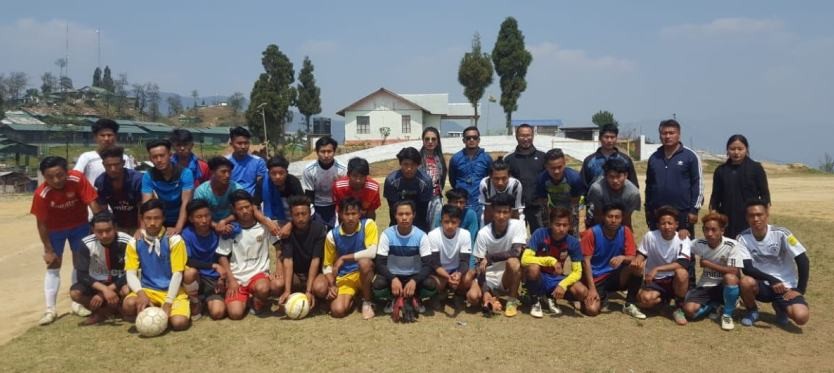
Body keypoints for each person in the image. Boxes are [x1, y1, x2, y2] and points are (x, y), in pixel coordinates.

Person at [32, 156, 102, 325]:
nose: (56, 180)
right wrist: (48, 249)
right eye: (50, 177)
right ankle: (50, 309)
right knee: (54, 265)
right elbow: (41, 224)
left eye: (60, 175)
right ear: (43, 176)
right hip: (55, 230)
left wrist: (100, 225)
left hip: (79, 227)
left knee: (80, 263)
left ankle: (77, 304)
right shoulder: (41, 194)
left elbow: (93, 203)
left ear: (67, 171)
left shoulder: (77, 179)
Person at [737, 200, 810, 327]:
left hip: (785, 286)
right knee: (745, 282)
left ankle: (780, 307)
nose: (756, 219)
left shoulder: (782, 234)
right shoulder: (742, 238)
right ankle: (752, 311)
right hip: (762, 285)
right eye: (751, 216)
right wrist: (772, 280)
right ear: (746, 218)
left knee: (801, 317)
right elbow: (747, 269)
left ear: (767, 215)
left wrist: (800, 290)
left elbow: (803, 259)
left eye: (759, 214)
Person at [121, 200, 191, 331]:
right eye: (148, 218)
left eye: (157, 218)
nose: (152, 223)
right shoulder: (134, 242)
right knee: (128, 304)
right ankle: (153, 308)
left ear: (164, 218)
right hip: (148, 289)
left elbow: (178, 274)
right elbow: (130, 273)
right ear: (142, 219)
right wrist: (141, 293)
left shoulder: (174, 240)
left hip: (172, 292)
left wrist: (169, 302)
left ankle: (161, 310)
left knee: (179, 323)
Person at [216, 190, 284, 319]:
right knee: (235, 314)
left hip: (258, 276)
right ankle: (247, 298)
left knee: (264, 288)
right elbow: (222, 256)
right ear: (234, 210)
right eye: (240, 208)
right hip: (238, 277)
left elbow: (277, 245)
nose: (245, 211)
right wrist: (231, 280)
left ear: (253, 207)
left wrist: (277, 266)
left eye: (247, 207)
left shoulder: (264, 225)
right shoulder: (230, 229)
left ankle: (257, 299)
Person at [579, 202, 644, 318]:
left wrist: (623, 257)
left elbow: (632, 257)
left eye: (617, 217)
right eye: (610, 217)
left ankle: (630, 304)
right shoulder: (591, 233)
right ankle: (599, 296)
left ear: (622, 218)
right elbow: (585, 262)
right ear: (603, 217)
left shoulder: (625, 231)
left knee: (637, 266)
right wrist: (592, 289)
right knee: (592, 310)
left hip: (615, 276)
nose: (613, 220)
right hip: (596, 278)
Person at [681, 212, 745, 330]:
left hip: (724, 286)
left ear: (722, 230)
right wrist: (681, 234)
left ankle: (727, 314)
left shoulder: (732, 245)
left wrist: (708, 264)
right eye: (706, 229)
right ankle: (714, 306)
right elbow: (680, 245)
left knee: (730, 278)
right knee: (689, 311)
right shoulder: (699, 243)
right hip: (705, 286)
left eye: (714, 230)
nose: (710, 234)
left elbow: (734, 272)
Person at [374, 200, 435, 318]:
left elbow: (428, 265)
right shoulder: (387, 234)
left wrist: (414, 280)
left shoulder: (421, 236)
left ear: (414, 215)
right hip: (393, 275)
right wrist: (393, 278)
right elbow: (380, 263)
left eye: (408, 214)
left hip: (413, 275)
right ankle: (393, 298)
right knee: (378, 285)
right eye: (400, 214)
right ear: (395, 216)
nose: (404, 217)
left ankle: (415, 297)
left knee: (430, 285)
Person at [470, 193, 527, 318]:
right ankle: (490, 299)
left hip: (506, 276)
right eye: (498, 212)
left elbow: (516, 252)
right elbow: (479, 266)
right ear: (491, 212)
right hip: (488, 276)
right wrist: (485, 291)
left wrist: (490, 257)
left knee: (514, 262)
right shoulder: (483, 233)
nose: (501, 216)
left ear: (511, 212)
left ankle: (512, 300)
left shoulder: (517, 226)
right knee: (472, 297)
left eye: (505, 212)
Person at [644, 119, 703, 238]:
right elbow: (649, 185)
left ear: (679, 135)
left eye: (671, 133)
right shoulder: (654, 158)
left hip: (683, 212)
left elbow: (697, 184)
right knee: (658, 247)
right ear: (660, 136)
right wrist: (648, 209)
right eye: (664, 133)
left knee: (684, 248)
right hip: (658, 212)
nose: (667, 136)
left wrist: (694, 210)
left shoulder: (690, 156)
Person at [70, 211, 131, 325]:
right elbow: (81, 275)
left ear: (115, 228)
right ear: (93, 230)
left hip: (118, 282)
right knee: (75, 293)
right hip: (97, 283)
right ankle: (100, 313)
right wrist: (104, 289)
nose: (104, 235)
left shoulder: (127, 241)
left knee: (127, 290)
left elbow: (131, 272)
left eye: (108, 230)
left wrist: (106, 291)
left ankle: (119, 309)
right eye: (99, 232)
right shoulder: (86, 244)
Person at [523, 207, 585, 318]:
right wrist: (551, 261)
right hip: (540, 276)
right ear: (551, 224)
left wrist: (563, 285)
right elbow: (525, 259)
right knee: (533, 268)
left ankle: (550, 297)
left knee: (582, 291)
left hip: (555, 278)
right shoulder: (539, 233)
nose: (561, 229)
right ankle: (535, 300)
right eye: (558, 224)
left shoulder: (573, 242)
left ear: (569, 226)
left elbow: (578, 272)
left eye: (565, 225)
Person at [634, 206, 692, 325]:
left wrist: (657, 268)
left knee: (682, 273)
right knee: (646, 300)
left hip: (673, 279)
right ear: (658, 224)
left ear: (676, 224)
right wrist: (636, 262)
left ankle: (678, 308)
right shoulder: (650, 236)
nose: (666, 226)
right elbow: (642, 254)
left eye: (670, 223)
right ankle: (662, 301)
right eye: (663, 223)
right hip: (656, 280)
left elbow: (683, 263)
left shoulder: (683, 238)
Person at [322, 197, 378, 319]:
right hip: (345, 277)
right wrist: (331, 284)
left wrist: (344, 258)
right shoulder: (332, 235)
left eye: (354, 213)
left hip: (365, 274)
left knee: (364, 263)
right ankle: (354, 298)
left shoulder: (368, 224)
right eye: (347, 214)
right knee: (337, 311)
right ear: (340, 214)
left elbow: (372, 252)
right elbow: (327, 265)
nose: (351, 218)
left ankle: (367, 302)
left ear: (360, 214)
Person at [709, 134, 771, 238]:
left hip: (749, 217)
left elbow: (765, 196)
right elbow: (715, 197)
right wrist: (714, 217)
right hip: (727, 217)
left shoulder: (756, 168)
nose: (736, 152)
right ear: (727, 150)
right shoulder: (720, 170)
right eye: (732, 149)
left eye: (740, 149)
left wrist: (763, 217)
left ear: (746, 149)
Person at [277, 196, 330, 309]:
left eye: (304, 213)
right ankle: (292, 294)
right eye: (296, 215)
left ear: (310, 213)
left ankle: (314, 295)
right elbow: (288, 260)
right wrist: (287, 291)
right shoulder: (287, 232)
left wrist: (309, 290)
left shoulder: (319, 229)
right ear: (291, 216)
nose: (300, 218)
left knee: (320, 288)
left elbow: (315, 260)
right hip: (296, 273)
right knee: (277, 285)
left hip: (315, 272)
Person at [181, 199, 228, 320]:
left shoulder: (217, 233)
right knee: (189, 272)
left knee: (217, 313)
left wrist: (223, 278)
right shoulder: (186, 234)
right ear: (191, 219)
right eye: (199, 217)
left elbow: (225, 257)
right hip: (198, 277)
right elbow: (187, 260)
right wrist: (213, 265)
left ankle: (207, 300)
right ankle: (195, 301)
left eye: (207, 215)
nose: (204, 220)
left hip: (215, 279)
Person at [141, 139, 194, 235]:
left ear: (170, 155)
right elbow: (147, 205)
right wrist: (143, 229)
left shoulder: (185, 173)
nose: (159, 160)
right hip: (160, 219)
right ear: (150, 159)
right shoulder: (148, 175)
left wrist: (178, 228)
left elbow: (185, 204)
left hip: (182, 218)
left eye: (162, 155)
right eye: (155, 157)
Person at [427, 204, 474, 309]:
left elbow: (465, 261)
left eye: (454, 222)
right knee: (436, 282)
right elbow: (434, 263)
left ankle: (458, 295)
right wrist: (448, 277)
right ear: (441, 221)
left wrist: (458, 273)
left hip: (455, 270)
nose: (450, 226)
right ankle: (439, 294)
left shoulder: (465, 234)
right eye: (446, 222)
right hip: (439, 271)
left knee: (468, 277)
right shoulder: (433, 235)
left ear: (459, 222)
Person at [504, 123, 547, 232]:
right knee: (516, 239)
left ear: (533, 136)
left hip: (537, 207)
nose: (525, 139)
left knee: (541, 239)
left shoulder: (543, 157)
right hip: (516, 207)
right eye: (522, 136)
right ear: (516, 137)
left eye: (528, 135)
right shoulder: (509, 159)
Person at [535, 148, 586, 235]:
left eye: (560, 167)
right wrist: (548, 226)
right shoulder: (541, 179)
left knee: (571, 234)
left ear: (564, 164)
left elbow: (575, 206)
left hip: (570, 208)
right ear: (546, 167)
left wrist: (571, 226)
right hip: (553, 208)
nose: (556, 171)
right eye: (552, 168)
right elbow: (543, 205)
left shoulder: (574, 178)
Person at [383, 147, 433, 232]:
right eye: (405, 164)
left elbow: (423, 210)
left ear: (418, 165)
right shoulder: (391, 181)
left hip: (419, 222)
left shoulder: (426, 181)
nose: (409, 168)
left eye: (413, 165)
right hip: (397, 221)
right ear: (400, 164)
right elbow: (393, 209)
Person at [95, 146, 143, 234]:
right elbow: (104, 211)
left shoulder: (137, 180)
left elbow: (143, 208)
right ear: (103, 164)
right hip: (118, 225)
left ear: (123, 163)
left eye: (116, 165)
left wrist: (141, 229)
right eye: (108, 166)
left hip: (139, 224)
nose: (113, 169)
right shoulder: (101, 182)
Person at [448, 126, 492, 222]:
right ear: (463, 140)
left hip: (479, 203)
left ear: (479, 140)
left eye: (475, 137)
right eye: (468, 138)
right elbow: (452, 180)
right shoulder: (455, 158)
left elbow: (491, 181)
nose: (471, 140)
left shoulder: (486, 158)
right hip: (460, 203)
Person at [302, 136, 346, 228]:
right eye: (323, 151)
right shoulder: (309, 170)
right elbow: (309, 194)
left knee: (335, 235)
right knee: (318, 234)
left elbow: (344, 194)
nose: (326, 155)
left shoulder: (342, 169)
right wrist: (311, 212)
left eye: (329, 151)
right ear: (317, 152)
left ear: (334, 152)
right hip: (317, 206)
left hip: (335, 206)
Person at [74, 118, 135, 186]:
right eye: (102, 135)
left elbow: (130, 179)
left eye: (109, 135)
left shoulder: (124, 158)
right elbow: (76, 177)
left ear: (115, 136)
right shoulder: (86, 157)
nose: (106, 139)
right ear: (95, 137)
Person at [585, 158, 641, 229]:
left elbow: (627, 218)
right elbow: (598, 216)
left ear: (626, 175)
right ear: (605, 176)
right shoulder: (596, 189)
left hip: (621, 221)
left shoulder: (633, 193)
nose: (615, 180)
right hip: (597, 220)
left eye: (618, 176)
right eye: (611, 177)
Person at [579, 123, 638, 188]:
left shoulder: (625, 160)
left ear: (616, 138)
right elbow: (582, 185)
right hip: (595, 197)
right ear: (600, 138)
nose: (609, 140)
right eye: (606, 137)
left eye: (612, 137)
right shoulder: (589, 161)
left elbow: (633, 185)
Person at [261, 154, 305, 237]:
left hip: (293, 221)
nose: (278, 177)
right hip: (271, 223)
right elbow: (254, 207)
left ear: (287, 172)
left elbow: (303, 205)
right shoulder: (263, 183)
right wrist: (267, 223)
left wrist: (290, 224)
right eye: (273, 173)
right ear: (268, 173)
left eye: (281, 173)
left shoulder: (293, 182)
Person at [193, 156, 241, 222]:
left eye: (229, 172)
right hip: (207, 224)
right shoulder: (202, 191)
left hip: (231, 223)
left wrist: (224, 221)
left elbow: (242, 211)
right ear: (212, 172)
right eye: (223, 172)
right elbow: (199, 214)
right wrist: (215, 226)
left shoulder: (236, 188)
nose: (227, 175)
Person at [225, 126, 267, 201]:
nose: (243, 146)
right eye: (239, 143)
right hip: (230, 202)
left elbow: (261, 186)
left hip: (252, 202)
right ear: (231, 143)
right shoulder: (224, 162)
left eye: (246, 143)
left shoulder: (259, 162)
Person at [479, 157, 523, 225]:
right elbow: (488, 211)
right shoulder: (485, 184)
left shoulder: (515, 185)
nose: (500, 182)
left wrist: (514, 229)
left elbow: (515, 211)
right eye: (496, 178)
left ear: (509, 176)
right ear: (490, 176)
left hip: (512, 212)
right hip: (492, 212)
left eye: (504, 178)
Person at [419, 127, 447, 229]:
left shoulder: (439, 158)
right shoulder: (417, 158)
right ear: (423, 140)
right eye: (427, 139)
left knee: (435, 228)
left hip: (437, 199)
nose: (430, 142)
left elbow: (442, 180)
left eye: (433, 139)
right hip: (421, 200)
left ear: (438, 141)